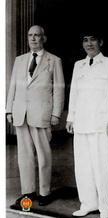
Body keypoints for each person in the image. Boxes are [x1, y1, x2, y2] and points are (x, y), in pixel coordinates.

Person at [6, 25, 65, 206]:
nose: (33, 39)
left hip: (42, 114)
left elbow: (59, 89)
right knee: (24, 155)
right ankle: (28, 192)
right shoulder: (20, 60)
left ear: (43, 38)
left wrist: (56, 114)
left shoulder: (54, 61)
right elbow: (13, 86)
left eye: (37, 35)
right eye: (30, 35)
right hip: (20, 113)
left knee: (43, 154)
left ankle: (45, 192)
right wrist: (8, 109)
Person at [66, 32, 108, 218]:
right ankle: (88, 203)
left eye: (92, 39)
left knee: (102, 167)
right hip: (81, 123)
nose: (88, 44)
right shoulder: (78, 65)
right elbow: (73, 93)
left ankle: (105, 206)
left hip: (101, 124)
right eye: (85, 40)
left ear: (101, 41)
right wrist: (70, 117)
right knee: (82, 167)